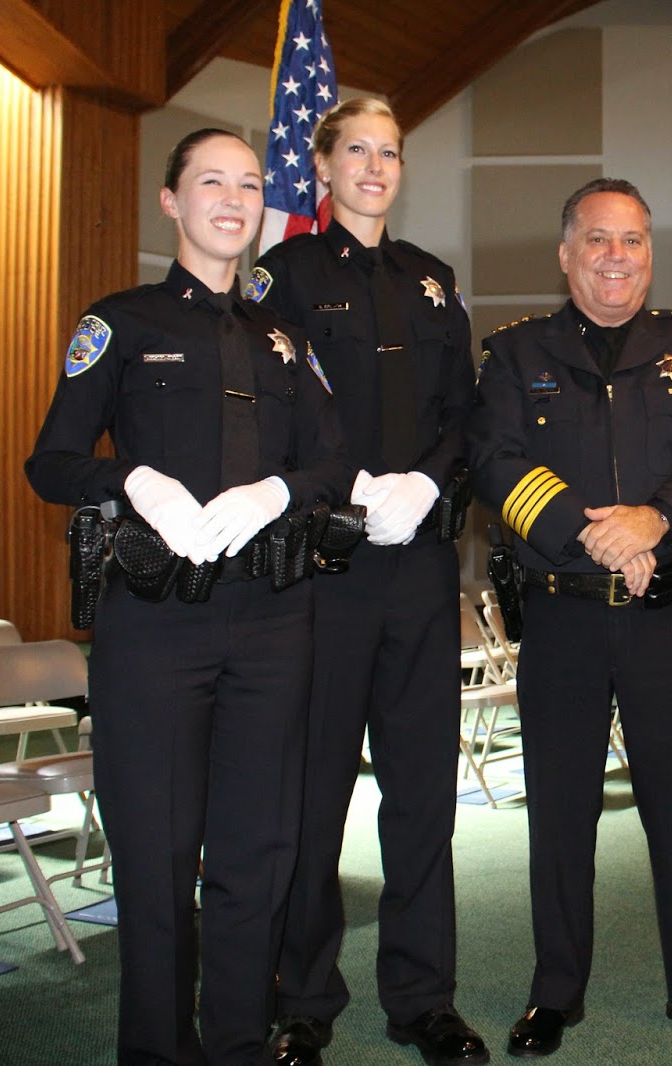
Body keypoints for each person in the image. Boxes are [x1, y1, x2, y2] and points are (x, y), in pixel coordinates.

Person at [24, 128, 358, 1066]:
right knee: (160, 862)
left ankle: (241, 1046)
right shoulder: (122, 322)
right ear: (170, 201)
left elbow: (335, 460)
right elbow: (50, 460)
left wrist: (279, 491)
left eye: (250, 184)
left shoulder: (284, 337)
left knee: (260, 856)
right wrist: (129, 480)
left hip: (272, 621)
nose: (234, 197)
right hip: (156, 624)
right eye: (210, 180)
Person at [466, 177, 672, 1057]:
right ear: (566, 254)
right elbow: (490, 457)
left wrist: (658, 518)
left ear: (649, 253)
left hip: (670, 619)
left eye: (632, 240)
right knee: (559, 812)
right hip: (561, 618)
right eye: (598, 240)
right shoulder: (516, 354)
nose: (616, 257)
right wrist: (591, 534)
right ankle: (555, 993)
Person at [247, 98, 484, 1066]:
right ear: (322, 163)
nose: (376, 167)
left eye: (390, 152)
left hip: (420, 571)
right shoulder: (288, 276)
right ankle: (303, 998)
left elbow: (465, 411)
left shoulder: (433, 280)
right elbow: (269, 406)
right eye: (358, 150)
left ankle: (423, 997)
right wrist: (349, 487)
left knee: (424, 792)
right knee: (314, 795)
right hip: (326, 571)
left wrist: (428, 481)